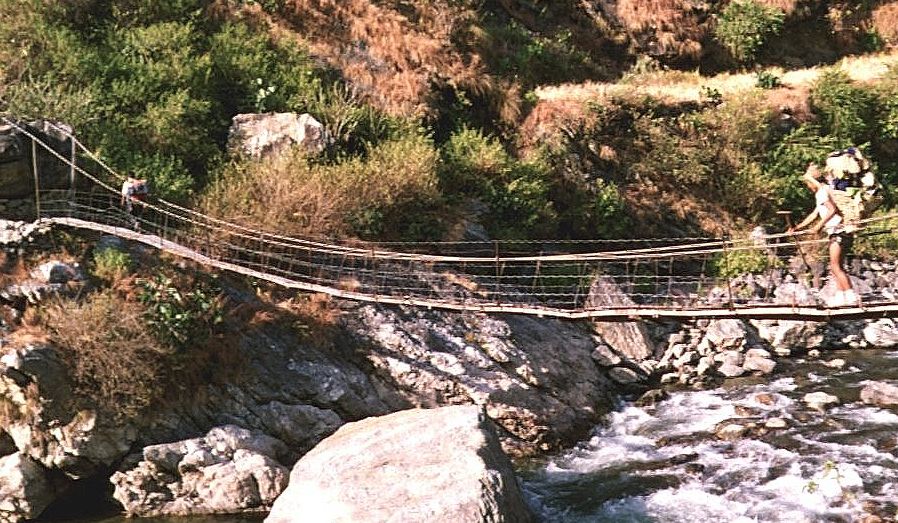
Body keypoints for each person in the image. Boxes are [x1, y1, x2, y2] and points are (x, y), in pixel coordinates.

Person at [788, 163, 858, 307]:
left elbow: (832, 210)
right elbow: (815, 214)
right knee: (836, 265)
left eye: (808, 183)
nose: (808, 186)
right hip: (839, 232)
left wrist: (818, 227)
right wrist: (797, 227)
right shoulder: (824, 192)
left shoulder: (822, 192)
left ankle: (850, 296)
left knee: (835, 266)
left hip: (839, 231)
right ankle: (841, 296)